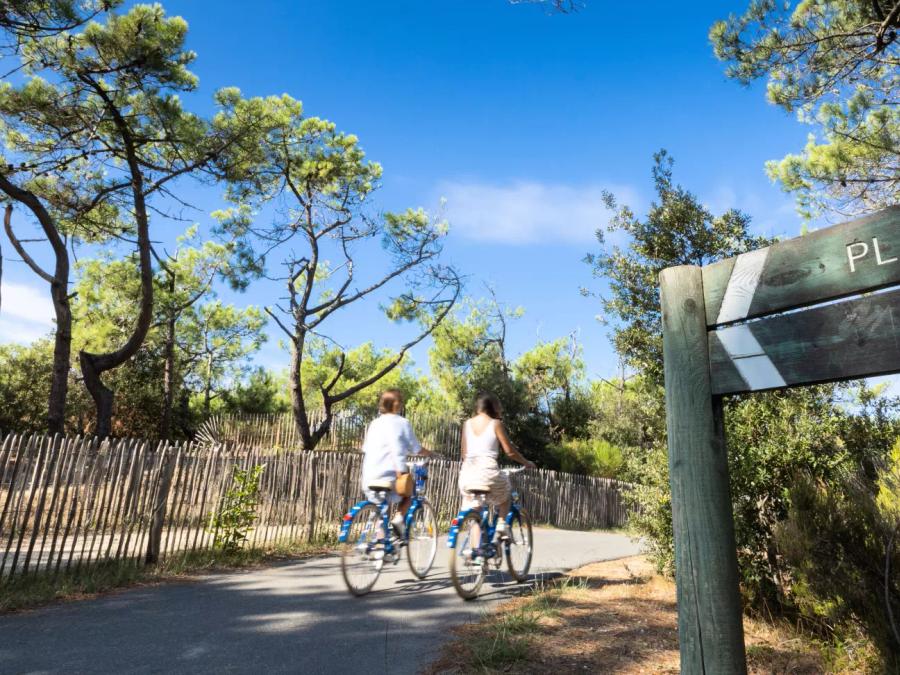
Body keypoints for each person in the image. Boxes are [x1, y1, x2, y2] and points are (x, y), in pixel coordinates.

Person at [458, 392, 535, 536]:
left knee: (475, 512)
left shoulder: (466, 424)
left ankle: (476, 548)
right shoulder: (495, 424)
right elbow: (510, 452)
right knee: (506, 496)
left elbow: (464, 454)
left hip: (466, 475)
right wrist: (526, 462)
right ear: (493, 407)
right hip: (488, 473)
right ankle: (501, 524)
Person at [361, 389, 431, 536]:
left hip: (369, 476)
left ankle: (380, 542)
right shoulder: (403, 423)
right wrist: (430, 453)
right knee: (410, 494)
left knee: (381, 509)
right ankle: (398, 518)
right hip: (392, 476)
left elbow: (366, 448)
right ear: (397, 404)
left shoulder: (374, 423)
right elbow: (416, 448)